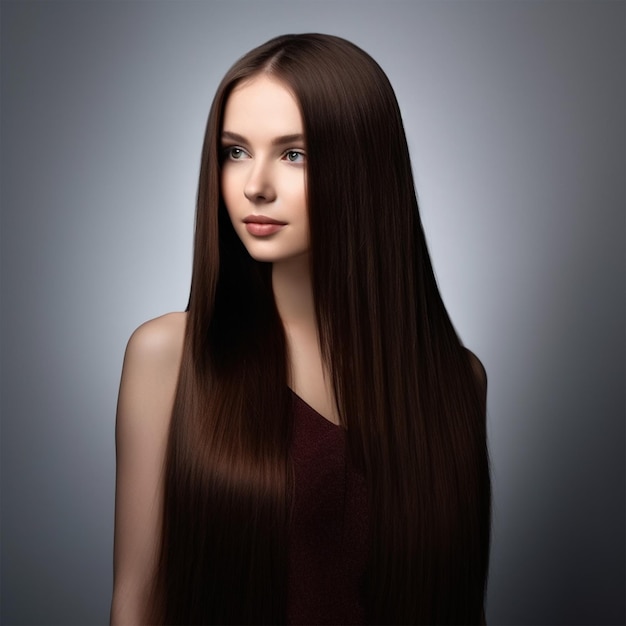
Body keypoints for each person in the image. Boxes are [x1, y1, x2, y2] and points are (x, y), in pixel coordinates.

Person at [110, 33, 490, 625]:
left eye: (294, 154)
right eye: (235, 151)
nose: (255, 184)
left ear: (363, 170)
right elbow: (137, 603)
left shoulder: (455, 382)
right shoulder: (169, 357)